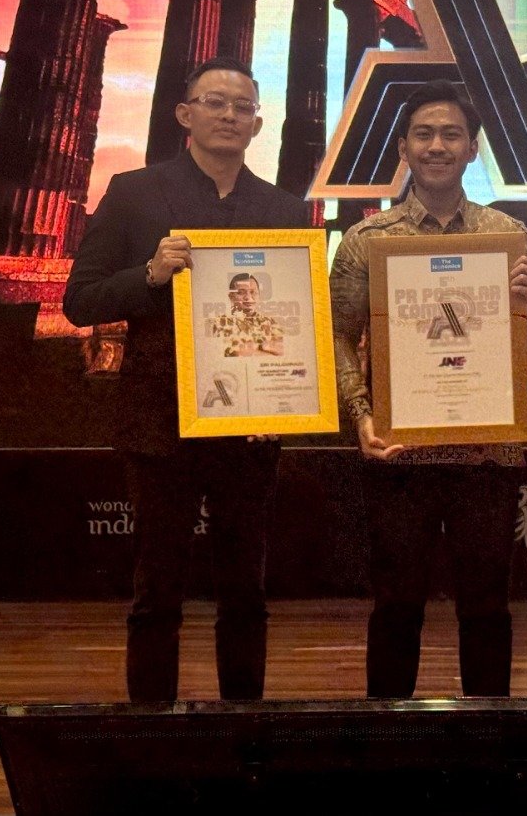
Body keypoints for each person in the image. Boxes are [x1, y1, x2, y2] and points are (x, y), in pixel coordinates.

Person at [63, 56, 307, 702]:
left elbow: (292, 319)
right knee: (156, 594)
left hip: (249, 425)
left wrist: (281, 401)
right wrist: (148, 275)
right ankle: (152, 730)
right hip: (158, 421)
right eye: (214, 102)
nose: (229, 115)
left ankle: (244, 725)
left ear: (257, 124)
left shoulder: (284, 210)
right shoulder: (133, 193)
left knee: (246, 594)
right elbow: (80, 301)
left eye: (243, 107)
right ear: (184, 114)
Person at [329, 80, 527, 698]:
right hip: (398, 454)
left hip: (486, 455)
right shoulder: (367, 240)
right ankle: (388, 736)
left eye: (451, 134)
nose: (437, 146)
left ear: (472, 147)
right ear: (403, 147)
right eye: (424, 134)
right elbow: (338, 338)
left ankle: (488, 734)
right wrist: (361, 414)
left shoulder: (507, 233)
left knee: (487, 608)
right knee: (395, 606)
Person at [210, 273, 285, 357]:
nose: (248, 297)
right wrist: (266, 349)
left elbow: (283, 349)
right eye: (241, 293)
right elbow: (240, 354)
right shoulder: (221, 322)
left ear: (259, 295)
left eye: (253, 292)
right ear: (231, 297)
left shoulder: (269, 321)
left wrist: (258, 349)